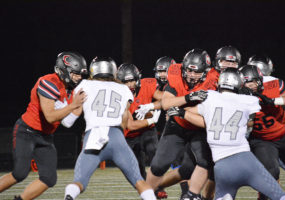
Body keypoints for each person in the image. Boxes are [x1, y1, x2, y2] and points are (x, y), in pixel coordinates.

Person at [167, 68, 285, 200]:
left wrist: (180, 112)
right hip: (246, 160)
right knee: (281, 196)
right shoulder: (247, 100)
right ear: (238, 83)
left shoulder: (210, 97)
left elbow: (194, 112)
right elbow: (251, 118)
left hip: (222, 166)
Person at [155, 45, 242, 200]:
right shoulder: (210, 76)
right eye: (224, 61)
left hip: (221, 128)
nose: (228, 66)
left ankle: (185, 193)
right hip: (201, 125)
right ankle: (189, 194)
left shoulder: (239, 80)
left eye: (232, 63)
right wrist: (181, 111)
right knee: (205, 164)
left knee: (194, 167)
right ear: (215, 63)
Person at [64, 57, 156, 200]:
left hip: (93, 137)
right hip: (117, 137)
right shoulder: (124, 89)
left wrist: (65, 107)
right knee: (139, 181)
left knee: (79, 182)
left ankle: (69, 195)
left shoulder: (85, 85)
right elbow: (125, 122)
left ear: (93, 70)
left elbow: (68, 122)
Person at [0, 51, 87, 200]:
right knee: (20, 173)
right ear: (64, 70)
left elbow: (67, 122)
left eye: (80, 74)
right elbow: (50, 116)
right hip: (26, 131)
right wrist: (73, 105)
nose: (78, 78)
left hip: (45, 136)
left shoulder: (70, 90)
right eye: (75, 73)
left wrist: (80, 107)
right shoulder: (48, 82)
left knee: (49, 178)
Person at [146, 48, 219, 200]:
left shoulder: (214, 79)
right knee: (159, 165)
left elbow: (210, 113)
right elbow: (166, 103)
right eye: (189, 71)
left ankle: (193, 195)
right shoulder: (175, 73)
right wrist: (189, 97)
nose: (192, 76)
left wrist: (183, 110)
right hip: (177, 125)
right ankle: (147, 195)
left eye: (197, 72)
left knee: (204, 162)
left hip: (199, 127)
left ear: (206, 72)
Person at [240, 65, 285, 199]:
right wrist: (248, 112)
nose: (251, 85)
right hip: (262, 140)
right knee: (270, 176)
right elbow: (247, 124)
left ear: (261, 80)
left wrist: (274, 101)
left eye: (253, 81)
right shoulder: (238, 95)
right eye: (247, 82)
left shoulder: (271, 85)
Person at [116, 63, 163, 180]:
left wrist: (152, 106)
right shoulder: (119, 97)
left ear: (137, 79)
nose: (129, 85)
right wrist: (152, 119)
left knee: (154, 153)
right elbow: (130, 125)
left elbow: (166, 99)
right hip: (129, 136)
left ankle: (158, 187)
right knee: (136, 169)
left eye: (131, 80)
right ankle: (147, 192)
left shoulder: (147, 85)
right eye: (125, 82)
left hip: (147, 130)